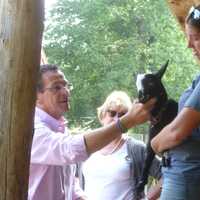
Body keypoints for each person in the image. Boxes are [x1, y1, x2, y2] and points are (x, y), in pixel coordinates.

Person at [28, 64, 156, 200]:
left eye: (66, 85)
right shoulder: (32, 129)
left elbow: (70, 186)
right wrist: (127, 121)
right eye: (56, 87)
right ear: (36, 96)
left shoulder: (61, 129)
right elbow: (68, 149)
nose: (65, 92)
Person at [151, 5, 200, 200]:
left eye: (195, 37)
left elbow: (177, 132)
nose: (189, 45)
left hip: (186, 179)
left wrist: (154, 143)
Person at [78, 91, 162, 200]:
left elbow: (167, 175)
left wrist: (147, 198)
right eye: (112, 113)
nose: (117, 119)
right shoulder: (89, 146)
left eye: (123, 115)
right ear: (102, 115)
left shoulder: (136, 149)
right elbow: (74, 179)